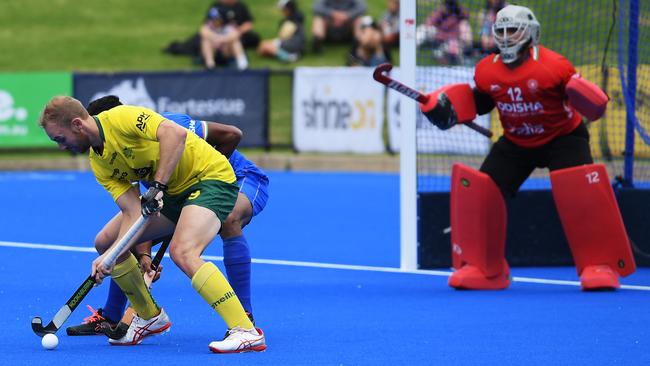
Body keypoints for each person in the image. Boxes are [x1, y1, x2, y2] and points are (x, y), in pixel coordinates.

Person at [419, 5, 636, 291]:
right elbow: (481, 101)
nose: (507, 37)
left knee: (581, 195)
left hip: (563, 139)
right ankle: (486, 270)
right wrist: (446, 109)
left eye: (514, 30)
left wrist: (589, 98)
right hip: (517, 142)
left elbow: (588, 102)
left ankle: (600, 265)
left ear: (531, 33)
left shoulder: (554, 66)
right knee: (482, 192)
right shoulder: (486, 70)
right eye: (502, 31)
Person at [39, 96, 266, 352]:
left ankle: (245, 330)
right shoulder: (98, 162)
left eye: (60, 139)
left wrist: (157, 186)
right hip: (172, 195)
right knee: (106, 242)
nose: (61, 147)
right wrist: (112, 255)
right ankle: (149, 316)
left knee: (182, 252)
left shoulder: (121, 118)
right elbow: (132, 211)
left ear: (78, 125)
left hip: (209, 178)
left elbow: (175, 134)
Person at [416, 0, 473, 65]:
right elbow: (428, 23)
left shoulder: (459, 13)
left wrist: (457, 9)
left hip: (451, 41)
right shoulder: (440, 12)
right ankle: (412, 46)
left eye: (450, 4)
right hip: (438, 37)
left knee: (448, 51)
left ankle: (463, 60)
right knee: (423, 29)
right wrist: (441, 12)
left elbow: (466, 14)